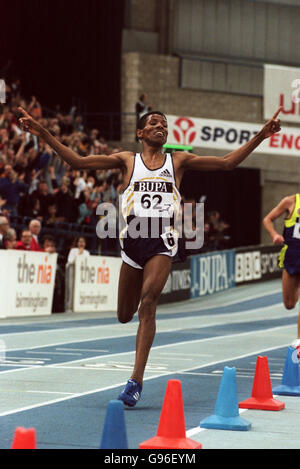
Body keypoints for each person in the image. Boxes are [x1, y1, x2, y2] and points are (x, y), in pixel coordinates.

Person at [18, 105, 282, 407]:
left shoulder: (177, 160)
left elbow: (226, 163)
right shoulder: (126, 160)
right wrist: (44, 133)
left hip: (162, 237)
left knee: (149, 302)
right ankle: (135, 350)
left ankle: (135, 381)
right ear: (140, 133)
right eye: (154, 123)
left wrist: (262, 135)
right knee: (123, 315)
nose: (161, 126)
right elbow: (77, 161)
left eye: (164, 124)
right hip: (132, 239)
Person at [263, 193, 300, 341]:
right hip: (292, 257)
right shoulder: (290, 202)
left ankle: (299, 342)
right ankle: (296, 288)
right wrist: (274, 235)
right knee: (289, 304)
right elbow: (267, 219)